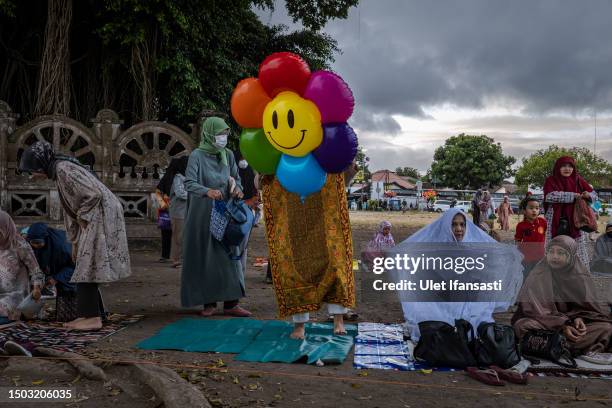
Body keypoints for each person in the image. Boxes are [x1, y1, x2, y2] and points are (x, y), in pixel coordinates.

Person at [19, 141, 131, 330]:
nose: (32, 175)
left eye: (32, 170)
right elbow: (72, 208)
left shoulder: (63, 169)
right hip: (94, 214)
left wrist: (82, 220)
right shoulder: (60, 170)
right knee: (83, 263)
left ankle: (92, 319)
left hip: (99, 213)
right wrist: (75, 242)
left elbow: (93, 195)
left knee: (88, 264)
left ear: (40, 164)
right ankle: (87, 315)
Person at [398, 208, 522, 340]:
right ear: (446, 226)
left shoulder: (470, 248)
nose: (459, 229)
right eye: (454, 224)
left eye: (462, 224)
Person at [262, 169, 355, 339]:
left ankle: (339, 319)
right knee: (295, 263)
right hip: (292, 200)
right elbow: (262, 178)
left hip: (325, 201)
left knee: (334, 263)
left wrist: (348, 164)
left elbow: (345, 169)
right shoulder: (282, 147)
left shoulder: (327, 146)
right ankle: (299, 325)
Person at [181, 117, 251, 317]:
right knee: (207, 257)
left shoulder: (227, 154)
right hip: (203, 214)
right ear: (209, 134)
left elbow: (237, 179)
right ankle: (208, 303)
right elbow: (189, 183)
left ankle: (232, 304)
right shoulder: (197, 155)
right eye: (220, 134)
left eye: (225, 134)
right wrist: (207, 191)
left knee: (229, 256)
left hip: (226, 213)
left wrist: (237, 189)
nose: (223, 138)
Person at [512, 235, 612, 362]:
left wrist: (578, 318)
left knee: (606, 328)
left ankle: (552, 346)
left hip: (568, 326)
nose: (555, 256)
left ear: (571, 256)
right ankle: (573, 347)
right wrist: (562, 326)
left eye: (561, 253)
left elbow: (588, 308)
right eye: (551, 252)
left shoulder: (580, 276)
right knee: (522, 326)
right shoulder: (538, 274)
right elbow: (534, 311)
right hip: (546, 323)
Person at [544, 156, 596, 271]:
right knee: (555, 247)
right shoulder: (551, 180)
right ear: (558, 167)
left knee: (577, 249)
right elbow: (550, 196)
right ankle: (553, 277)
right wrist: (573, 196)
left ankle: (579, 277)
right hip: (555, 221)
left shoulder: (578, 179)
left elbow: (594, 195)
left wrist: (589, 195)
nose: (567, 169)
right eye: (563, 166)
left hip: (576, 221)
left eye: (570, 166)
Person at [0, 210, 44, 321]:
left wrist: (36, 288)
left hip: (15, 295)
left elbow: (36, 270)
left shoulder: (19, 244)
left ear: (6, 228)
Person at [26, 223, 76, 295]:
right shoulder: (32, 246)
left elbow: (74, 266)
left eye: (38, 242)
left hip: (70, 272)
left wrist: (56, 278)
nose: (35, 246)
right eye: (33, 242)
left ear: (46, 237)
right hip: (57, 270)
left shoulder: (61, 246)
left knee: (68, 292)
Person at [158, 157, 189, 268]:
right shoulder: (177, 177)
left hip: (177, 209)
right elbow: (179, 193)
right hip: (174, 210)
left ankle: (178, 258)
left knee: (179, 235)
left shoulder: (186, 177)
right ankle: (176, 260)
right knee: (176, 236)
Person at [515, 196, 547, 278]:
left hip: (540, 256)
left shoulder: (543, 222)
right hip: (526, 258)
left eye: (537, 208)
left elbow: (547, 236)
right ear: (524, 211)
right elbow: (518, 241)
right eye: (531, 208)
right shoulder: (521, 226)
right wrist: (518, 255)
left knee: (539, 277)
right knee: (526, 276)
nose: (534, 210)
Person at [154, 187, 172, 263]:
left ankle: (178, 256)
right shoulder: (167, 177)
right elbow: (157, 192)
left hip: (179, 208)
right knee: (165, 233)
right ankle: (165, 255)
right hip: (166, 210)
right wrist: (162, 203)